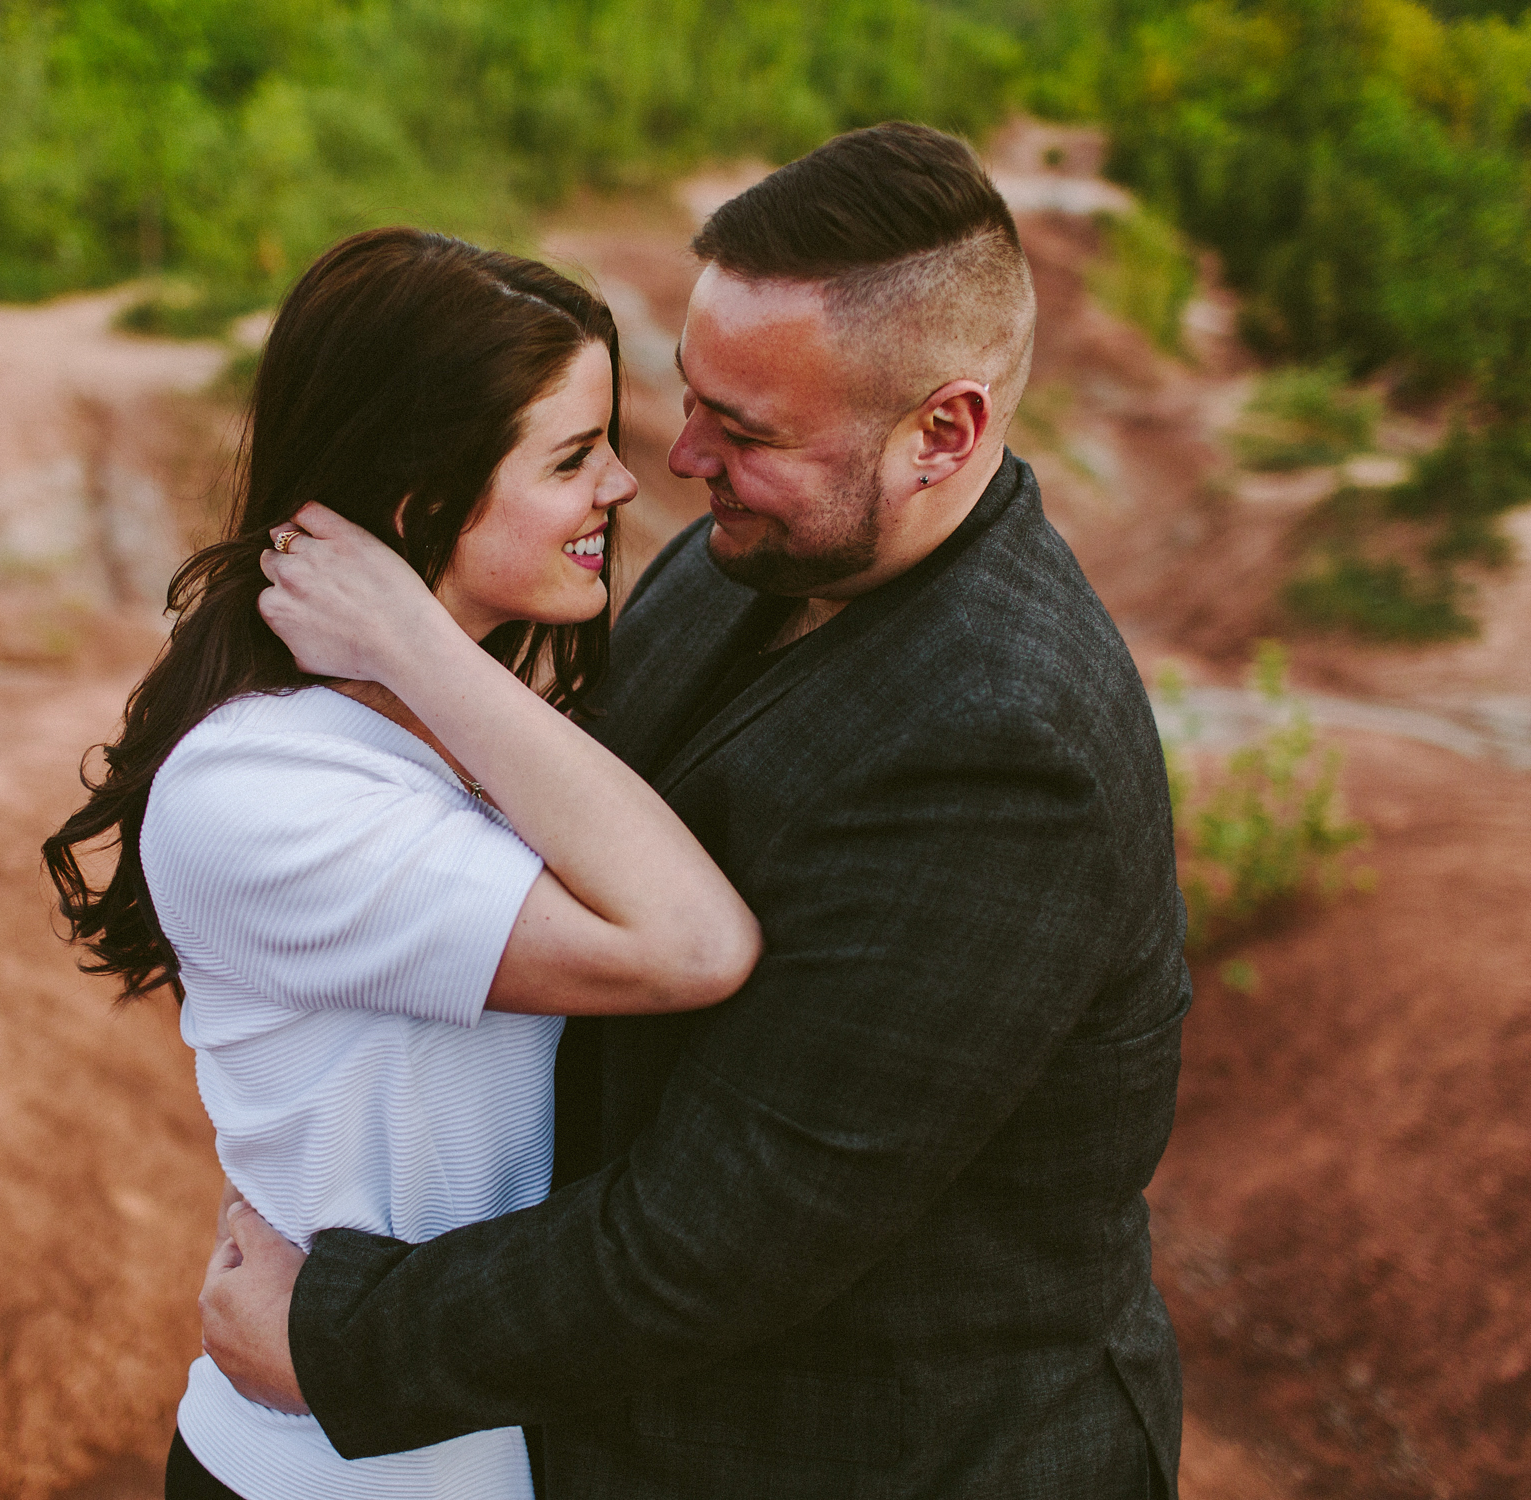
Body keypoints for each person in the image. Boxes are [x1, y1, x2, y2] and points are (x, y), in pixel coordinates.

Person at [199, 123, 1192, 1497]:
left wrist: (333, 1336)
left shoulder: (1006, 744)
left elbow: (719, 1240)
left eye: (749, 430)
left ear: (943, 431)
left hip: (891, 1459)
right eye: (692, 398)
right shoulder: (751, 563)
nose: (681, 461)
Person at [42, 227, 762, 1500]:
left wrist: (428, 655)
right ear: (422, 499)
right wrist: (417, 644)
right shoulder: (260, 788)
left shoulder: (482, 720)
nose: (620, 487)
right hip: (334, 1474)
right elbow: (693, 947)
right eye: (569, 457)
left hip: (491, 1444)